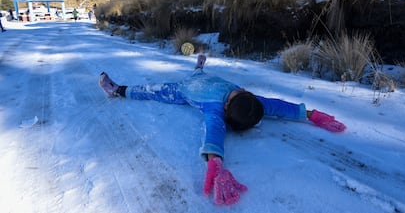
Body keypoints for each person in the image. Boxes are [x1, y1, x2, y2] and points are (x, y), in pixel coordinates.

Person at [98, 54, 346, 206]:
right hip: (204, 78)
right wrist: (311, 114)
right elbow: (278, 106)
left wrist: (215, 164)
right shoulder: (251, 102)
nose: (240, 90)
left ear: (226, 106)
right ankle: (199, 65)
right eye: (242, 92)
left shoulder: (215, 109)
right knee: (200, 73)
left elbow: (214, 132)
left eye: (239, 93)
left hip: (183, 89)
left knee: (151, 90)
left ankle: (118, 90)